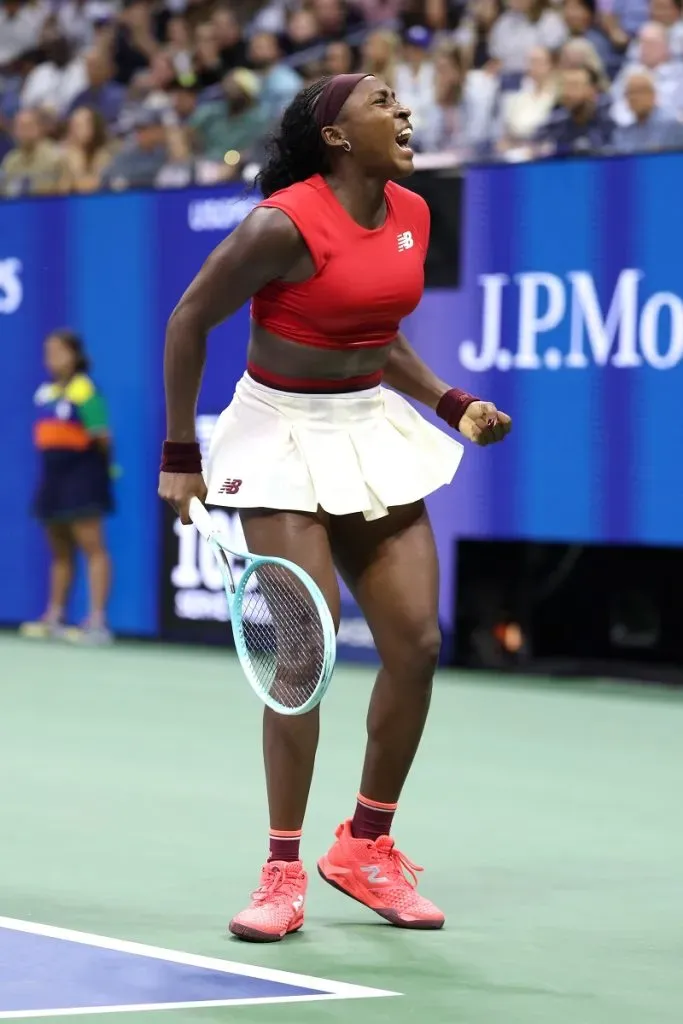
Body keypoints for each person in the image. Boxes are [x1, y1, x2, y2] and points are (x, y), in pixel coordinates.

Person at [158, 72, 511, 942]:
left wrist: (448, 401)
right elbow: (188, 321)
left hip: (366, 428)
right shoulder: (280, 223)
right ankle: (281, 868)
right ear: (336, 136)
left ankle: (364, 845)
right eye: (381, 100)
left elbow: (375, 330)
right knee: (302, 658)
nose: (403, 110)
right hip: (277, 437)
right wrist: (179, 456)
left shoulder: (411, 214)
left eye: (400, 99)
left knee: (417, 645)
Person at [21, 330, 114, 645]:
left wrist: (95, 475)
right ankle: (55, 616)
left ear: (74, 355)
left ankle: (97, 621)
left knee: (93, 548)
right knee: (59, 550)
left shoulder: (85, 391)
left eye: (58, 351)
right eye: (48, 351)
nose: (51, 358)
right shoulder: (45, 393)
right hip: (53, 480)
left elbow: (102, 438)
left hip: (83, 479)